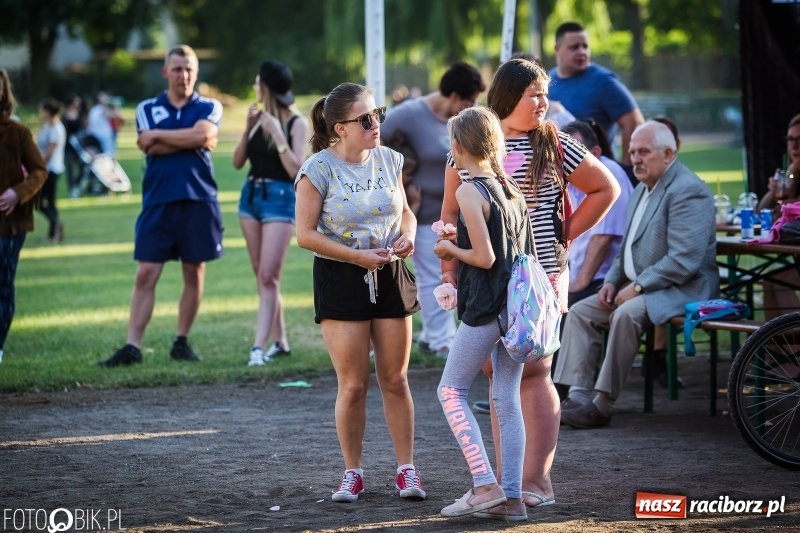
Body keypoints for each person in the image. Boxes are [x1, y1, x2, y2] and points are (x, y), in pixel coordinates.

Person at [440, 58, 620, 508]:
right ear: (507, 96)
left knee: (535, 370)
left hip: (538, 277)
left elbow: (606, 188)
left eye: (544, 93)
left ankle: (536, 483)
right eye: (533, 94)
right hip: (487, 277)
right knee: (497, 378)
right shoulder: (471, 140)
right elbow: (450, 214)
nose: (542, 102)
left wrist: (565, 234)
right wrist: (449, 273)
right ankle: (506, 486)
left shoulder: (555, 142)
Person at [295, 82, 424, 503]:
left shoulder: (388, 159)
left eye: (378, 114)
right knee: (352, 385)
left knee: (395, 378)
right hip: (341, 278)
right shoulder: (317, 169)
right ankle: (353, 473)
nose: (376, 124)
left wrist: (407, 236)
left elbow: (405, 211)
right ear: (340, 128)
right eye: (365, 119)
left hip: (389, 273)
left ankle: (407, 470)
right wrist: (355, 256)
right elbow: (305, 235)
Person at [555, 121, 719, 429]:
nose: (635, 160)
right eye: (632, 152)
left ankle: (602, 405)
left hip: (686, 288)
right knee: (580, 311)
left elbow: (685, 260)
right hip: (644, 287)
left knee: (626, 314)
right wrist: (611, 282)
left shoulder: (688, 191)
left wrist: (639, 286)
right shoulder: (642, 187)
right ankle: (577, 398)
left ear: (669, 153)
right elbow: (626, 248)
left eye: (643, 152)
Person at [435, 107, 533, 521]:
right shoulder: (511, 191)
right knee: (506, 401)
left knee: (450, 391)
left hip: (485, 308)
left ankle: (484, 483)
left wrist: (448, 250)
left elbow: (484, 256)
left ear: (458, 146)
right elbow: (520, 254)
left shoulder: (468, 191)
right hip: (516, 310)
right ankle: (512, 501)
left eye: (450, 144)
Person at [98, 45, 223, 368]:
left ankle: (181, 341)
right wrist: (192, 138)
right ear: (165, 72)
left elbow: (203, 135)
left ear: (196, 73)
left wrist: (162, 137)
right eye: (177, 68)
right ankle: (132, 347)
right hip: (158, 201)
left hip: (198, 199)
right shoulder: (147, 108)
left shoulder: (210, 106)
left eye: (189, 69)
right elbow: (146, 142)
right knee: (146, 273)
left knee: (194, 272)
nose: (184, 75)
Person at [380, 62, 486, 358]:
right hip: (426, 211)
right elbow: (374, 140)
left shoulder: (463, 120)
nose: (471, 107)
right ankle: (441, 339)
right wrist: (400, 181)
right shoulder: (411, 114)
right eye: (468, 100)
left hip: (464, 211)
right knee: (433, 275)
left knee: (461, 274)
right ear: (453, 95)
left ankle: (432, 335)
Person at [233, 60, 307, 366]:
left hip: (279, 200)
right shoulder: (257, 118)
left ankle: (257, 348)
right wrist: (249, 129)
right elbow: (238, 162)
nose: (253, 87)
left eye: (256, 82)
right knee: (263, 277)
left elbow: (297, 171)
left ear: (265, 87)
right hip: (250, 197)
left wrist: (277, 137)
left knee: (267, 276)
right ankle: (281, 342)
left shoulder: (296, 123)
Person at [548, 22, 644, 170]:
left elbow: (634, 121)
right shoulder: (546, 80)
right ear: (557, 48)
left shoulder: (603, 82)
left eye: (585, 46)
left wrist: (626, 168)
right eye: (574, 47)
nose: (582, 52)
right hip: (558, 176)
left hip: (596, 174)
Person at [0, 70, 48, 364]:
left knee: (2, 285)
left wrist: (18, 193)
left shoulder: (17, 133)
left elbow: (39, 171)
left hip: (8, 224)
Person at [562, 120, 633, 305]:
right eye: (562, 154)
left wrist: (580, 283)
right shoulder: (568, 178)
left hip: (607, 279)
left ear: (595, 153)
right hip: (578, 275)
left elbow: (603, 238)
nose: (567, 160)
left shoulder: (609, 174)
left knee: (564, 311)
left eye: (574, 154)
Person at [756, 113, 800, 319]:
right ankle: (783, 350)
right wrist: (774, 193)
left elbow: (792, 214)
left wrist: (786, 200)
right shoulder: (791, 174)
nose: (794, 146)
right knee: (771, 280)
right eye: (791, 139)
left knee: (779, 282)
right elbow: (760, 214)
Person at [36, 98, 66, 244]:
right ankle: (53, 231)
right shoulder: (47, 126)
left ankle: (56, 225)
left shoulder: (56, 128)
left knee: (40, 201)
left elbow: (50, 151)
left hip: (51, 169)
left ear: (47, 111)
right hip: (47, 169)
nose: (40, 112)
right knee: (47, 201)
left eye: (42, 110)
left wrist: (37, 165)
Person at [61, 93, 85, 198]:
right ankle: (72, 189)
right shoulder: (64, 116)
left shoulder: (79, 114)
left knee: (82, 166)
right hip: (68, 146)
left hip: (78, 146)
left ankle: (76, 184)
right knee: (69, 169)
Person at [86, 91, 121, 157]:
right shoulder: (99, 109)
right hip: (101, 136)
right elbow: (115, 115)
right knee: (107, 155)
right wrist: (116, 105)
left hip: (100, 135)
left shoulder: (94, 109)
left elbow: (117, 116)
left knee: (107, 155)